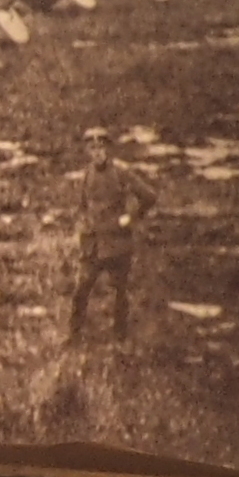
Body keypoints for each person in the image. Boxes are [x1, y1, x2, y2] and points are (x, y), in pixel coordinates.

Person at [68, 131, 148, 345]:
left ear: (108, 150)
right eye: (92, 148)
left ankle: (120, 337)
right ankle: (74, 336)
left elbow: (148, 196)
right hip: (93, 244)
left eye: (101, 148)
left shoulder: (121, 172)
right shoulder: (87, 174)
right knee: (81, 289)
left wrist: (131, 217)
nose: (97, 153)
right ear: (87, 151)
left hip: (117, 244)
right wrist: (83, 225)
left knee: (120, 292)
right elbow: (82, 206)